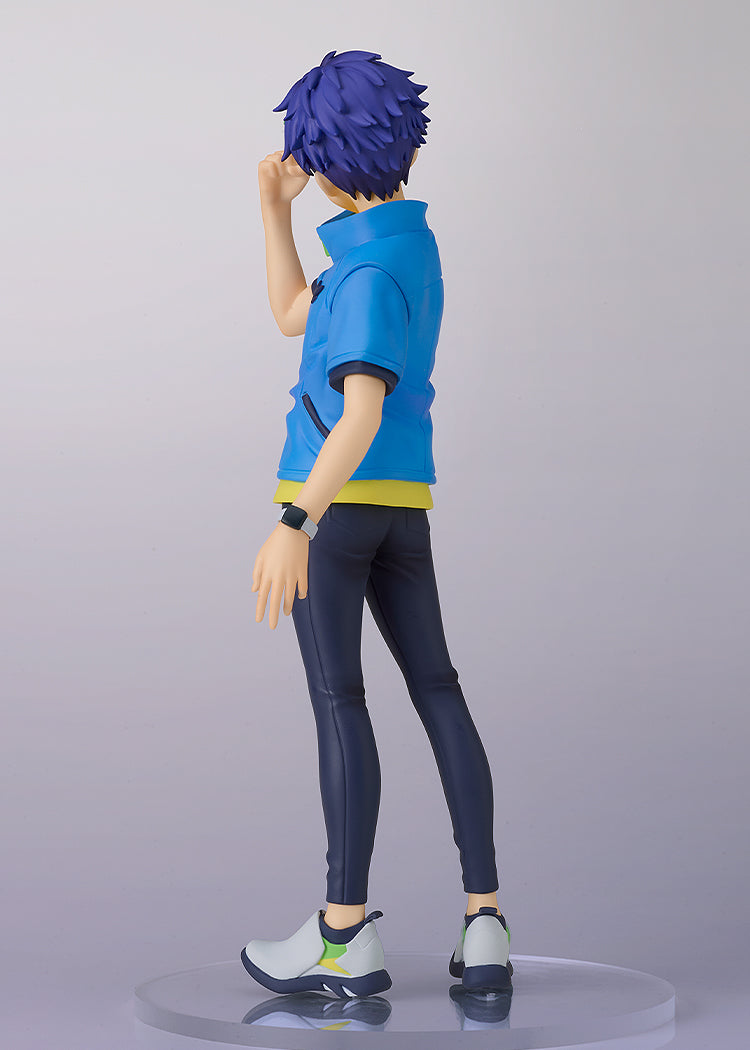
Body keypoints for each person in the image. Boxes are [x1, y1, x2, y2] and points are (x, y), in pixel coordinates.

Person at [240, 49, 512, 998]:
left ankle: (342, 933)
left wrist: (293, 519)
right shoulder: (401, 246)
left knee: (341, 703)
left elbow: (357, 412)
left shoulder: (361, 276)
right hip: (404, 508)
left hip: (335, 511)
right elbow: (290, 312)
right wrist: (273, 211)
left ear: (324, 158)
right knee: (439, 690)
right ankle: (485, 921)